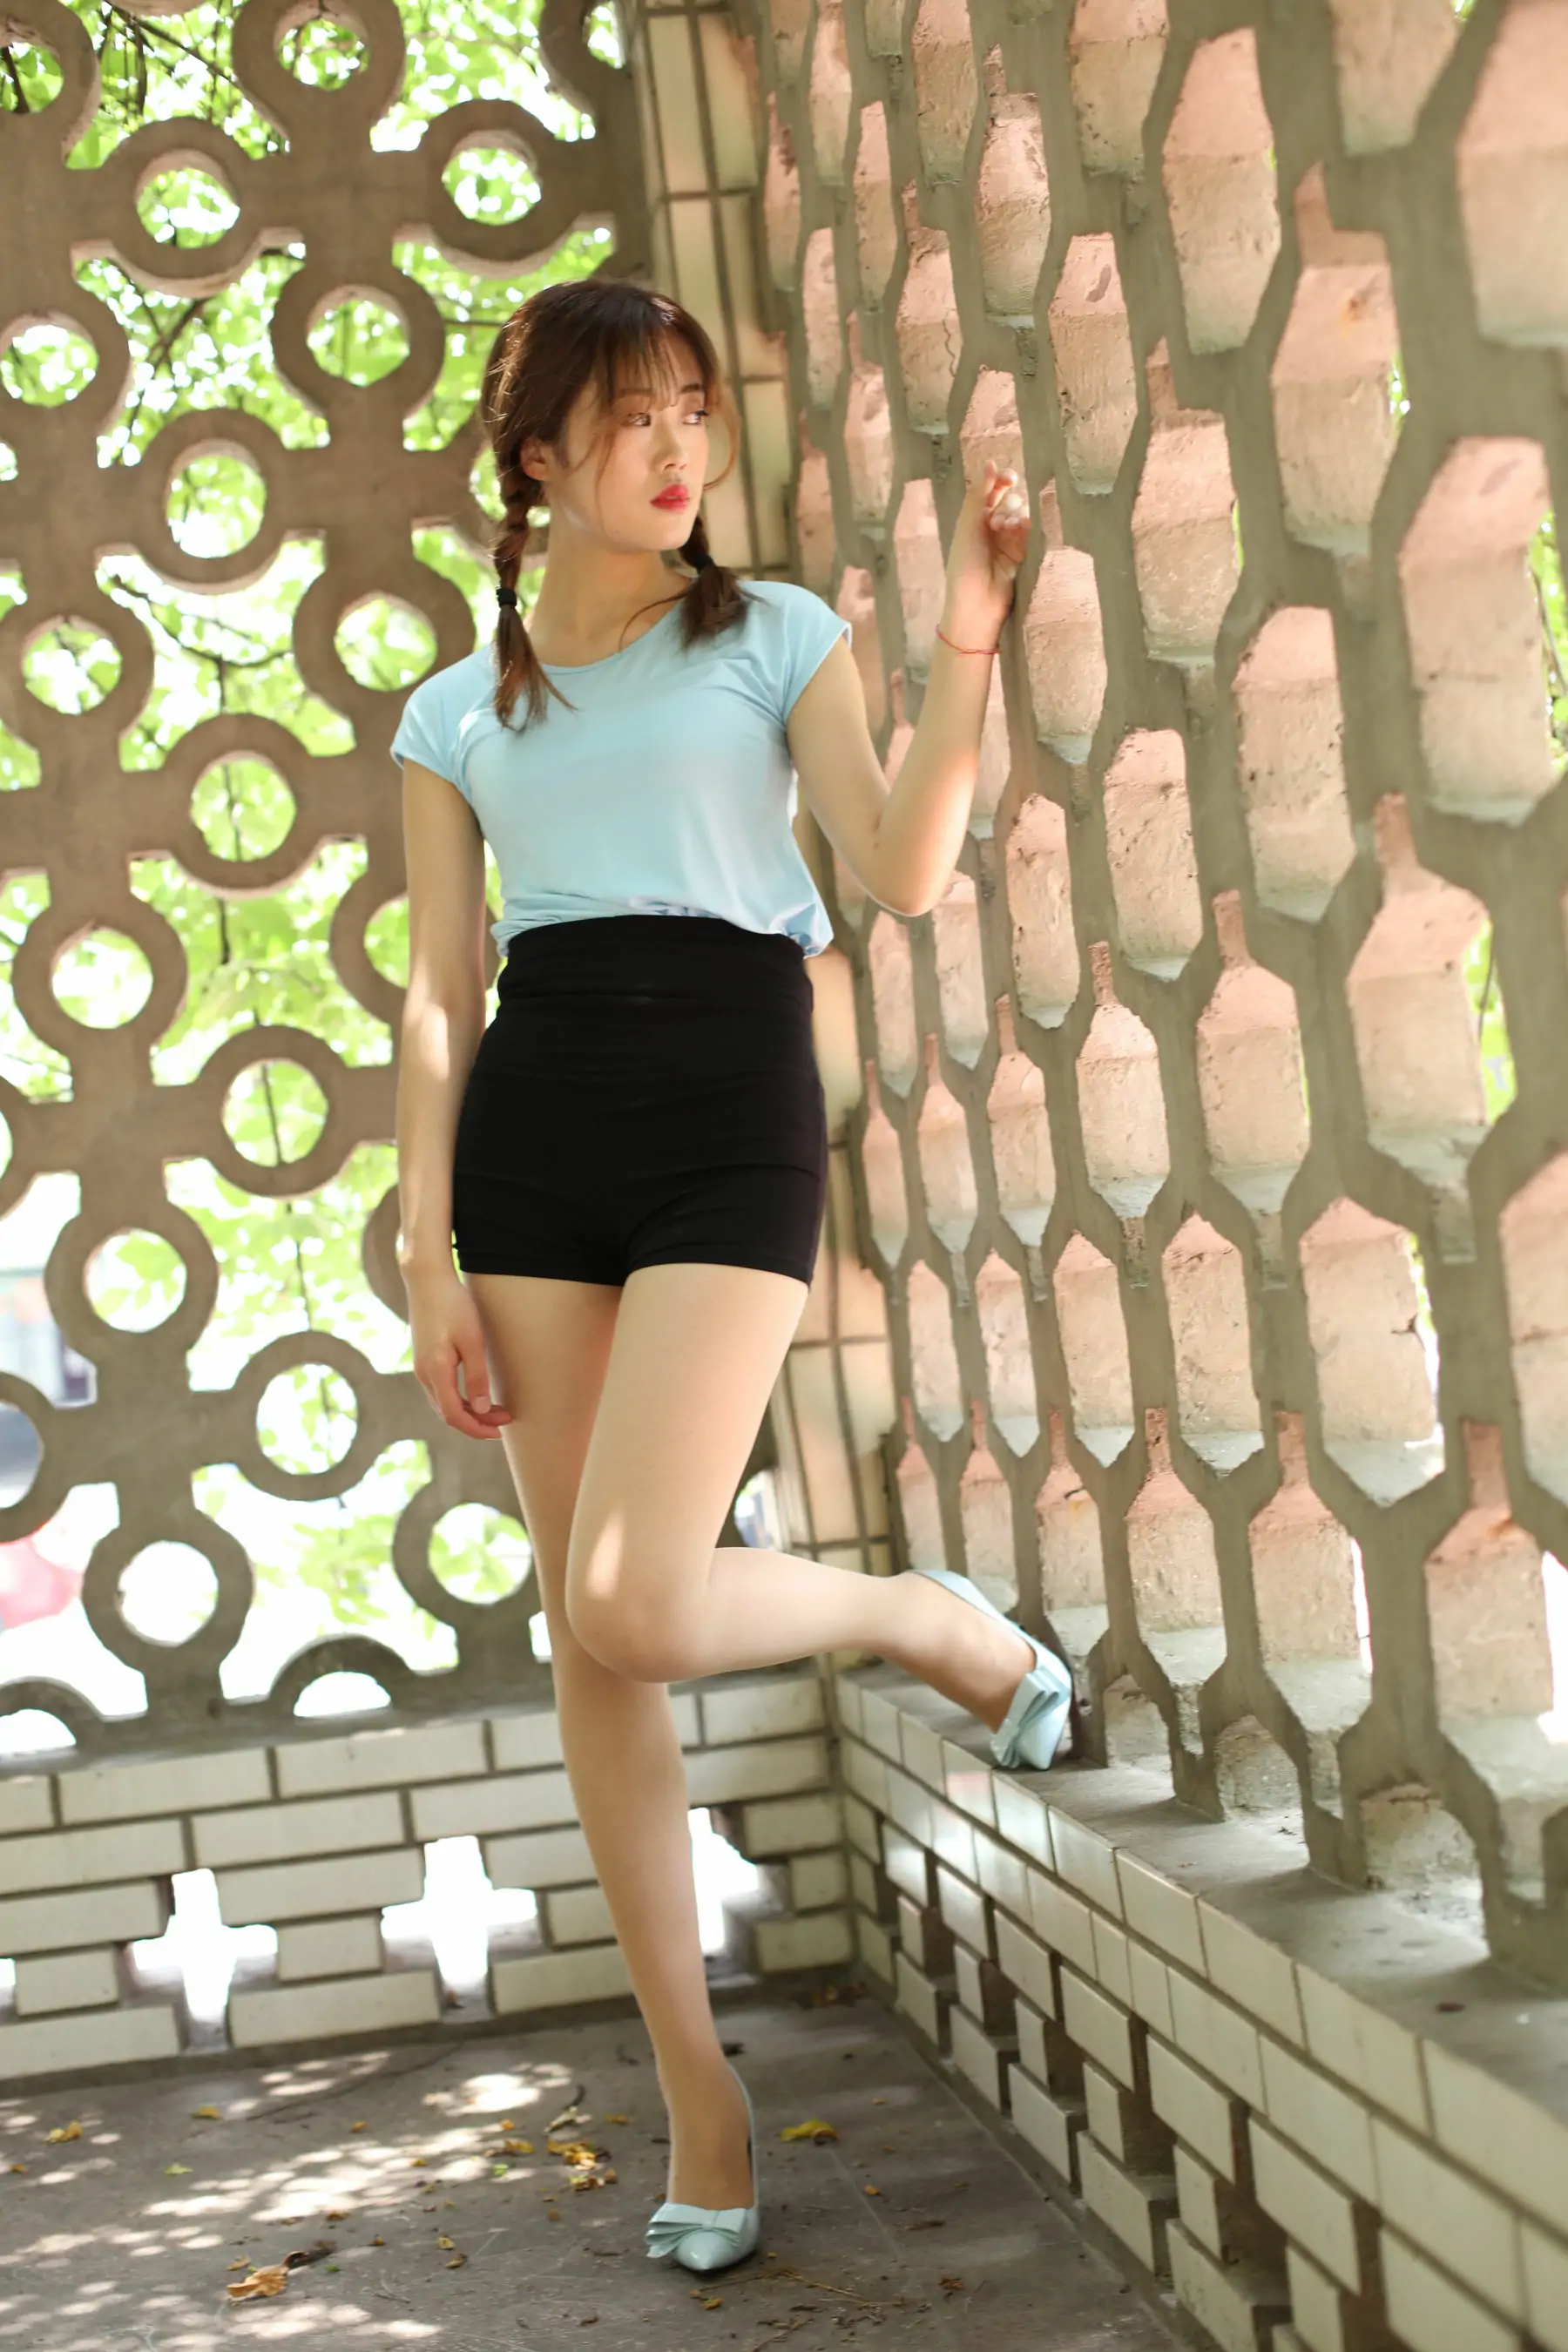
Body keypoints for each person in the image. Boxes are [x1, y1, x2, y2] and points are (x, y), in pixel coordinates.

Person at [389, 276, 1071, 2275]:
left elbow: (902, 864)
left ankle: (919, 1620)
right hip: (536, 1136)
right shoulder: (458, 708)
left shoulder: (771, 634)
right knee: (593, 1638)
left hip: (724, 1102)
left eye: (691, 406)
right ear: (540, 458)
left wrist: (967, 628)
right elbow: (439, 992)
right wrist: (429, 1245)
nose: (679, 446)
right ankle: (697, 2088)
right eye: (633, 417)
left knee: (637, 1591)